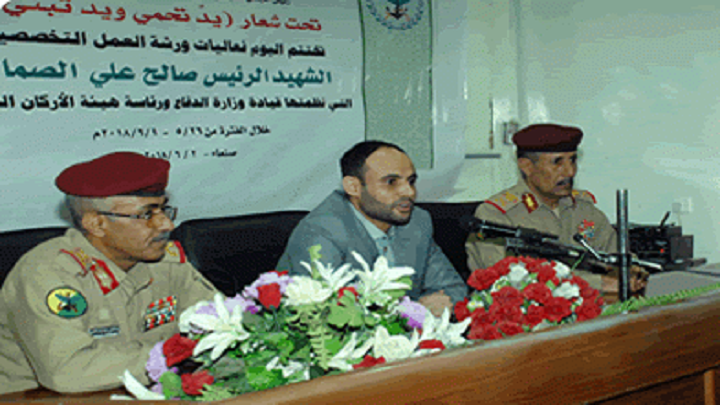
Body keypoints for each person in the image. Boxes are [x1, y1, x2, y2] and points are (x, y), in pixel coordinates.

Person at [0, 152, 218, 395]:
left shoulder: (165, 261)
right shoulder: (47, 274)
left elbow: (220, 323)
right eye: (147, 214)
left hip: (142, 392)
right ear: (96, 224)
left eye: (163, 210)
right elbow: (70, 372)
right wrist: (171, 354)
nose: (167, 224)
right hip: (35, 398)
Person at [277, 141, 467, 315]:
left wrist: (428, 308)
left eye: (410, 181)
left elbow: (454, 290)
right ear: (353, 187)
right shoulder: (320, 232)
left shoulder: (417, 222)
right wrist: (414, 312)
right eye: (391, 182)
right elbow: (326, 316)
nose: (409, 192)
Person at [465, 123, 647, 295]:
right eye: (557, 162)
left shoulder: (583, 209)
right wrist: (600, 283)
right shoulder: (496, 215)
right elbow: (511, 281)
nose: (570, 172)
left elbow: (616, 253)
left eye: (573, 160)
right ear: (527, 166)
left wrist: (632, 272)